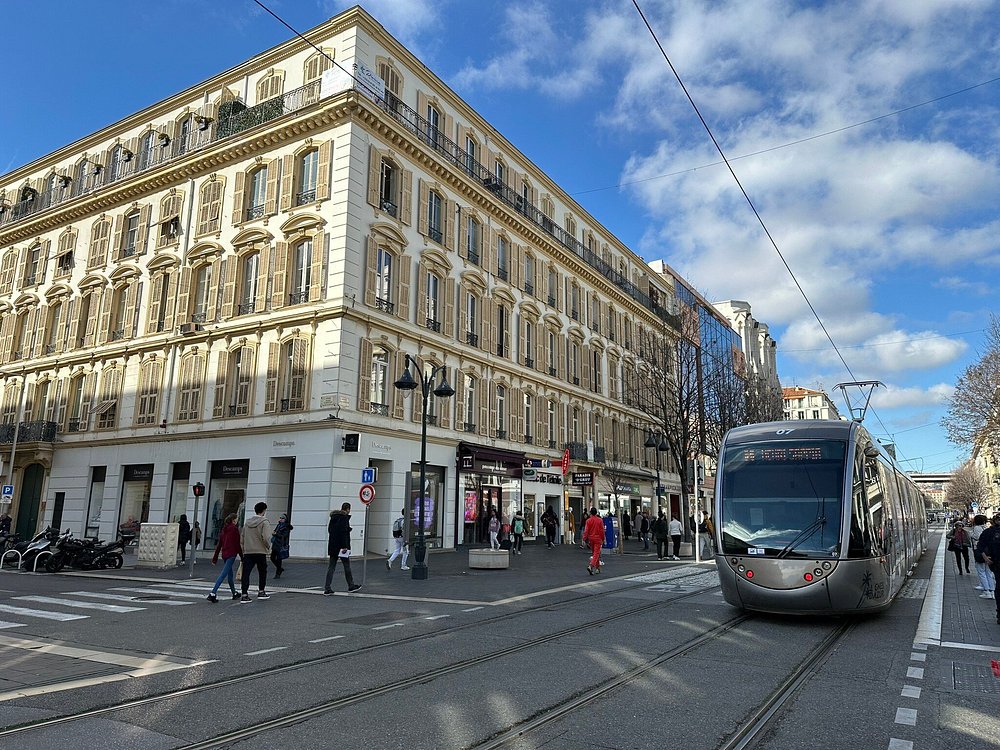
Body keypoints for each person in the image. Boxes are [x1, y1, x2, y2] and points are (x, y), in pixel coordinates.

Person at [324, 502, 362, 594]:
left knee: (331, 567)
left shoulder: (333, 518)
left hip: (333, 546)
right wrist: (345, 546)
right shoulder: (344, 518)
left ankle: (327, 588)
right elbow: (343, 532)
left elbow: (331, 531)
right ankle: (351, 585)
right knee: (346, 566)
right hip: (342, 547)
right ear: (348, 509)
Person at [239, 502, 272, 602]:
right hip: (260, 551)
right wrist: (268, 547)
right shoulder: (264, 522)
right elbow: (266, 537)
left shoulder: (247, 523)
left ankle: (244, 594)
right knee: (262, 571)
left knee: (246, 573)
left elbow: (242, 538)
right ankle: (261, 591)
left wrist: (244, 549)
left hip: (248, 551)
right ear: (264, 510)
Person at [207, 513, 241, 603]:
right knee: (224, 574)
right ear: (234, 520)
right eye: (236, 519)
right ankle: (213, 593)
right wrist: (242, 556)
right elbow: (237, 544)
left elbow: (219, 545)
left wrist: (215, 558)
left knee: (230, 574)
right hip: (231, 553)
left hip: (225, 554)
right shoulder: (234, 529)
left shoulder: (224, 530)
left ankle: (234, 593)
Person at [975, 513, 1000, 624]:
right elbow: (980, 546)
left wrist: (986, 558)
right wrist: (986, 558)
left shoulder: (988, 532)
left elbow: (980, 546)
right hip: (996, 563)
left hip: (995, 563)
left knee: (999, 587)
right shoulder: (990, 532)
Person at [971, 514, 996, 598]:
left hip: (980, 551)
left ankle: (986, 591)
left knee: (981, 571)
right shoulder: (986, 527)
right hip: (988, 551)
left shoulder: (977, 528)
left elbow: (978, 537)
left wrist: (971, 534)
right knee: (988, 572)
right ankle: (992, 591)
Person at [583, 508, 605, 575]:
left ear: (590, 513)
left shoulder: (588, 521)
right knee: (596, 553)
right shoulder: (600, 520)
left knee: (595, 553)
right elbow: (602, 531)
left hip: (591, 539)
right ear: (596, 513)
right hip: (598, 539)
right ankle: (591, 566)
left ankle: (598, 568)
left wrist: (584, 538)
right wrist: (603, 539)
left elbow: (586, 531)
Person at [269, 513, 292, 579]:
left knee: (279, 559)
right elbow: (275, 532)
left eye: (282, 518)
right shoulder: (279, 525)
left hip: (281, 544)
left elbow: (284, 536)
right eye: (280, 518)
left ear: (285, 519)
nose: (281, 519)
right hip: (275, 543)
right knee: (272, 557)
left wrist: (276, 534)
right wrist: (274, 533)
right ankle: (279, 568)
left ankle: (278, 573)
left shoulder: (286, 527)